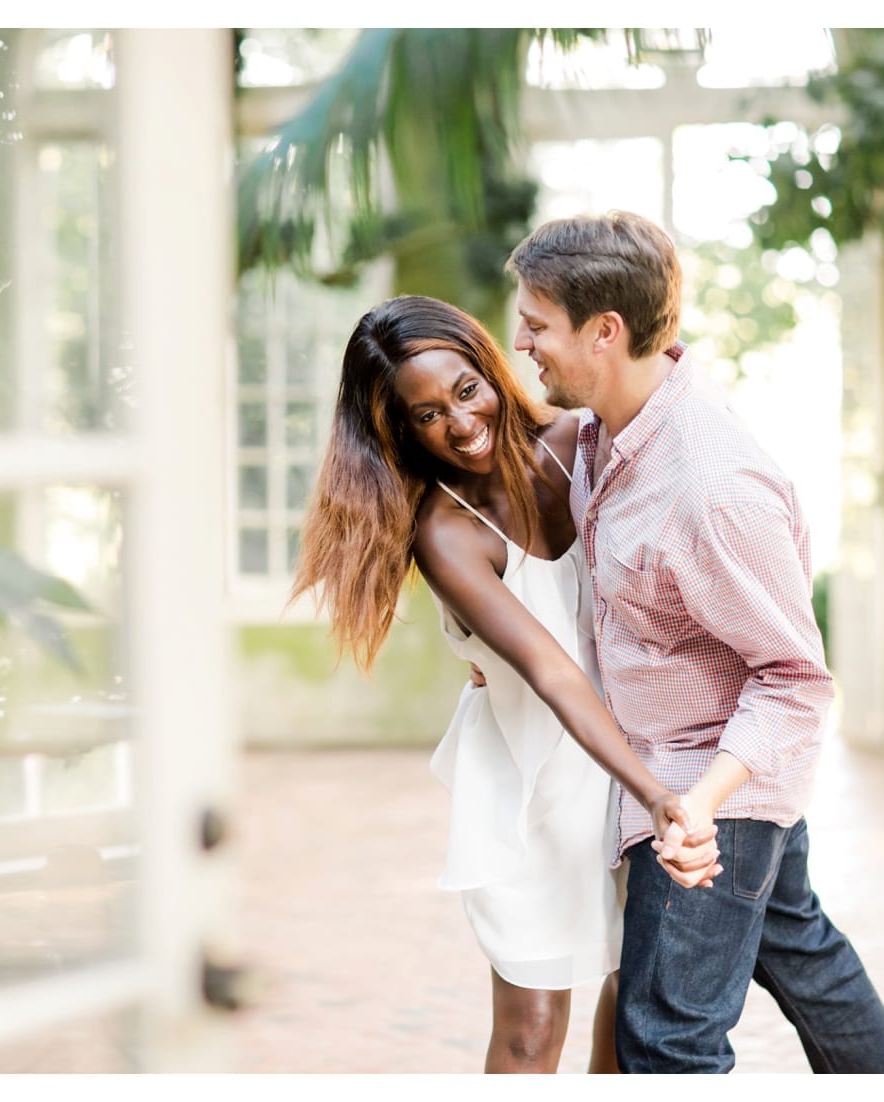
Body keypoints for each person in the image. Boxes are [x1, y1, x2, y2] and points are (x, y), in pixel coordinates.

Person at [504, 210, 884, 1074]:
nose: (523, 341)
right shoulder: (602, 436)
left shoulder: (712, 487)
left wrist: (698, 802)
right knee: (807, 962)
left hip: (705, 797)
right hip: (681, 779)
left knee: (668, 1044)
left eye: (537, 325)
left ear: (604, 332)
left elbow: (797, 680)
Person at [290, 294, 720, 1074]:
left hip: (637, 761)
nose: (459, 423)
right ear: (396, 432)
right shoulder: (446, 532)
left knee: (634, 1012)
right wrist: (658, 796)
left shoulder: (582, 443)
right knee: (529, 1028)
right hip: (535, 786)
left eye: (464, 390)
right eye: (424, 417)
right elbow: (553, 671)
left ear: (490, 368)